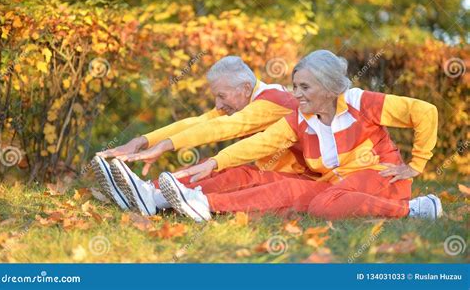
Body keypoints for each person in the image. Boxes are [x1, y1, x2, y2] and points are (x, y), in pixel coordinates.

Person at [158, 50, 443, 222]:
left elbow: (425, 112)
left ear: (329, 87)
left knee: (323, 206)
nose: (296, 95)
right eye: (295, 86)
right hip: (335, 185)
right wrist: (215, 162)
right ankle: (203, 204)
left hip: (382, 178)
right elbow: (261, 143)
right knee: (288, 189)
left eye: (304, 87)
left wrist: (417, 164)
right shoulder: (302, 118)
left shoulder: (360, 102)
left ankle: (413, 209)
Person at [91, 56, 308, 215]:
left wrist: (165, 146)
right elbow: (200, 123)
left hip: (300, 179)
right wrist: (143, 141)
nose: (218, 104)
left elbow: (226, 127)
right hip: (274, 173)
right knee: (210, 165)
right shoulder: (248, 99)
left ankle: (154, 199)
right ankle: (146, 191)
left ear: (245, 88)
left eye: (222, 96)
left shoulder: (274, 101)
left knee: (235, 173)